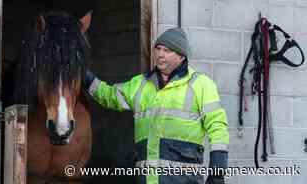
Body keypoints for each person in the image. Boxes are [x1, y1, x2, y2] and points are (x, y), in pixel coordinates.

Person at [84, 28, 229, 184]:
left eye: (167, 50)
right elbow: (108, 95)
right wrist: (83, 75)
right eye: (158, 49)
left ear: (181, 56)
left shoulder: (201, 85)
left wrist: (217, 172)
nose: (160, 54)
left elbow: (217, 127)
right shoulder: (140, 84)